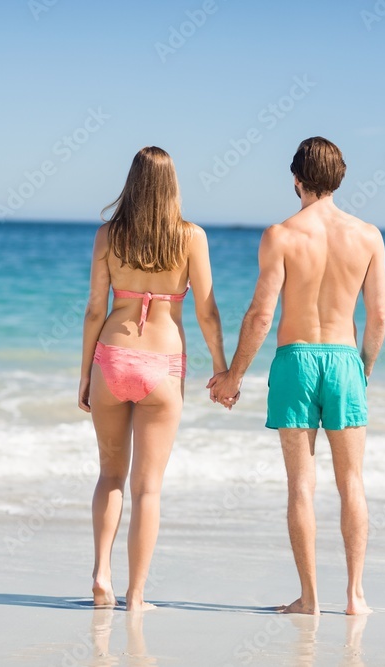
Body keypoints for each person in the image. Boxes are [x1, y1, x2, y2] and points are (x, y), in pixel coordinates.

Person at [208, 137, 385, 616]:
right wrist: (361, 369)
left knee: (301, 485)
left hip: (295, 360)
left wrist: (233, 376)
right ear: (340, 177)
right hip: (345, 360)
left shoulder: (281, 234)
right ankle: (354, 597)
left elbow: (260, 316)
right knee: (352, 481)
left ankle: (309, 598)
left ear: (296, 179)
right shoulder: (368, 235)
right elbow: (380, 317)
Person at [79, 146, 227, 610]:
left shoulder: (109, 235)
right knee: (148, 488)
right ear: (172, 185)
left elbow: (93, 311)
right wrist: (222, 366)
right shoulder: (191, 237)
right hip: (162, 365)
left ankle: (101, 572)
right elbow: (206, 310)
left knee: (109, 474)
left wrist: (85, 373)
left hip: (112, 357)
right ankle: (136, 595)